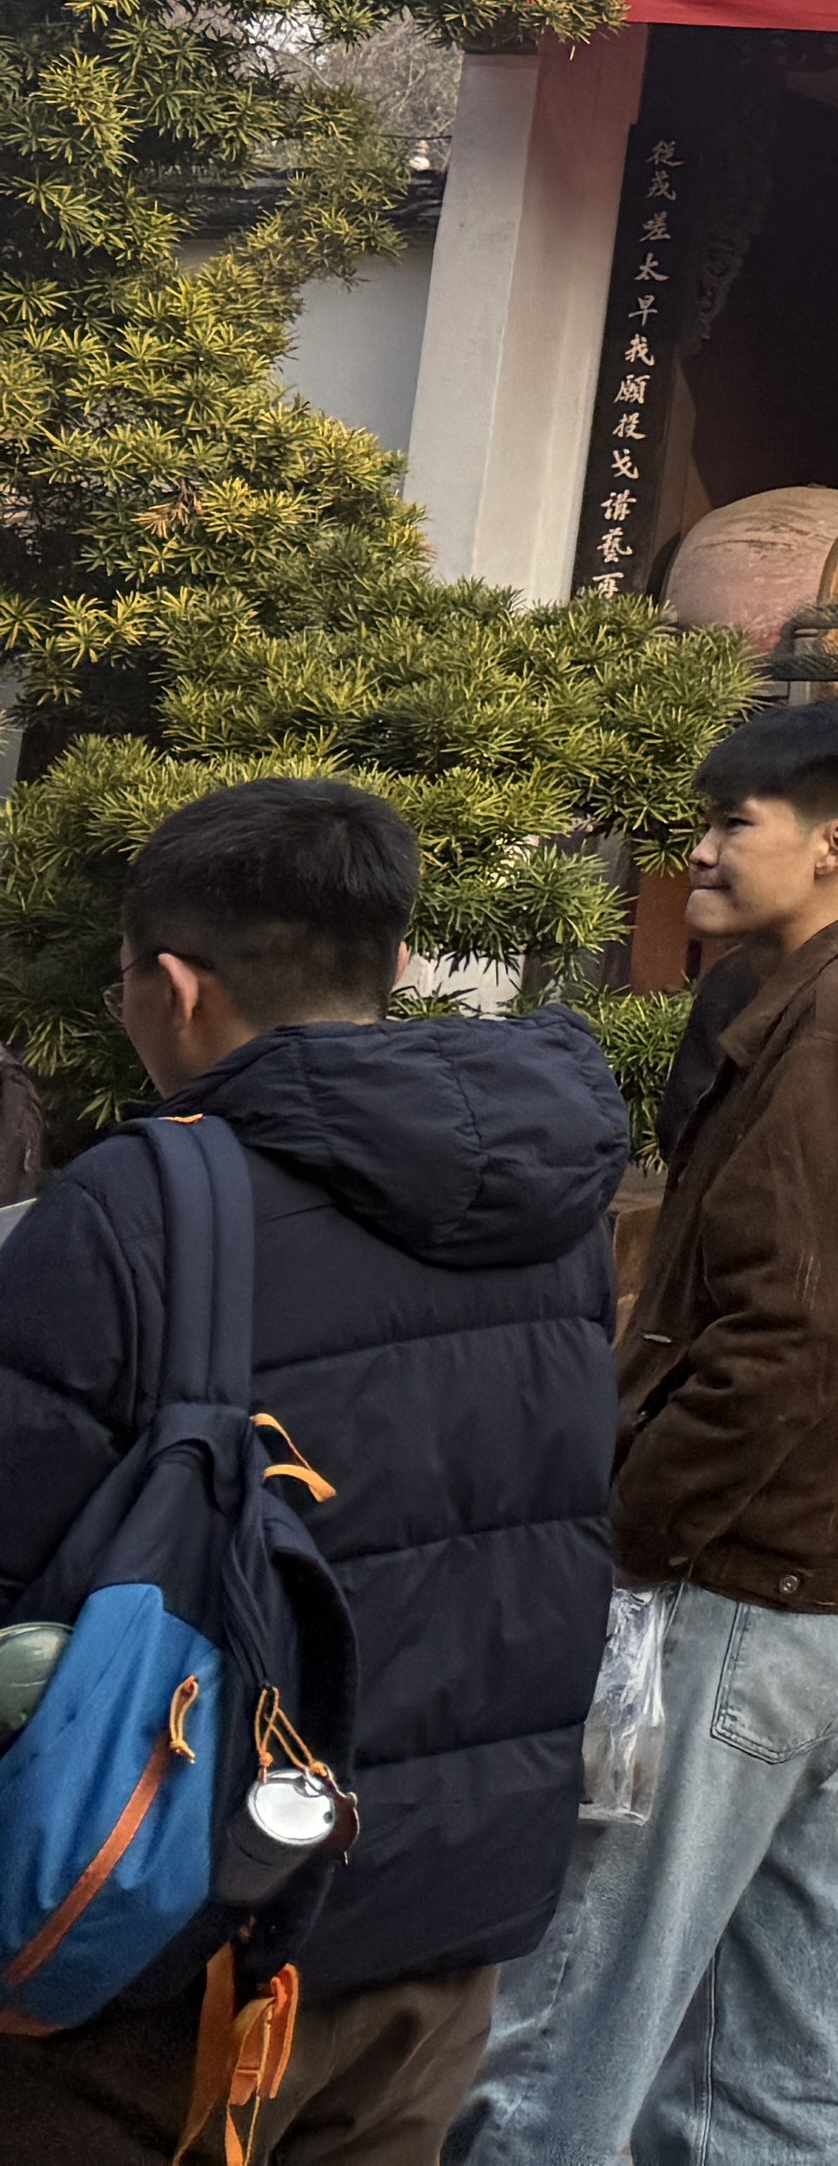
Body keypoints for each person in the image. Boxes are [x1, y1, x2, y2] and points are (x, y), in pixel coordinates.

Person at [0, 780, 627, 2166]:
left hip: (174, 1927)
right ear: (393, 960)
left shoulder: (134, 1207)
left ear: (173, 985)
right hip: (443, 1924)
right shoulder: (553, 1199)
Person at [453, 715, 838, 2166]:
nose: (698, 853)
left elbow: (797, 1326)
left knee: (562, 2036)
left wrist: (639, 1529)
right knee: (761, 2068)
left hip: (746, 1590)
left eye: (734, 825)